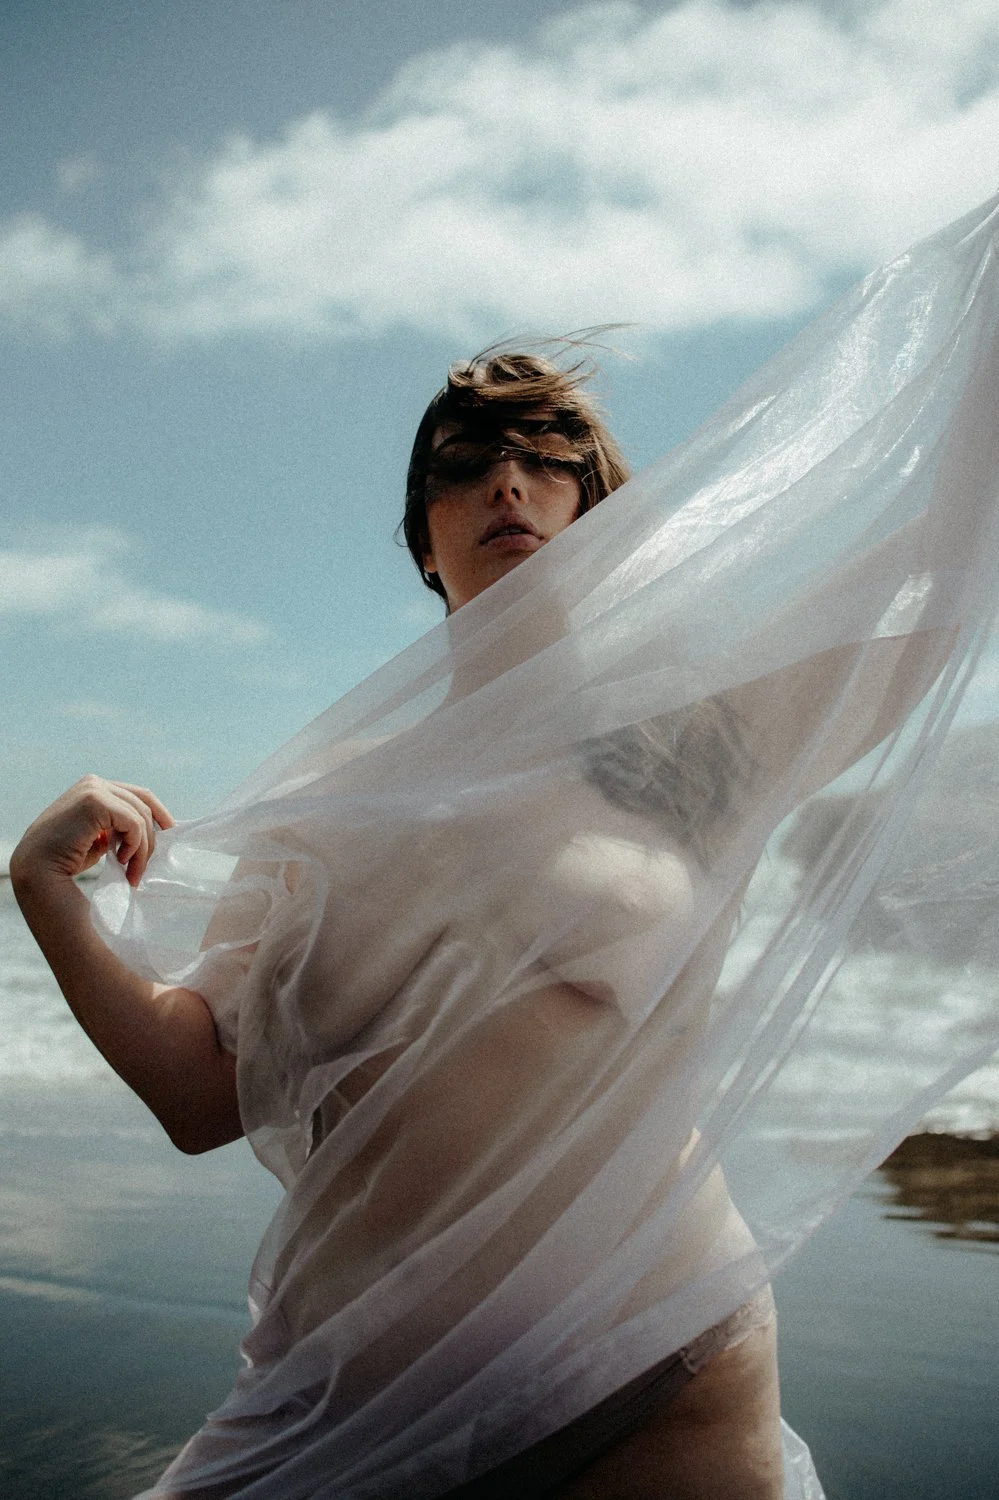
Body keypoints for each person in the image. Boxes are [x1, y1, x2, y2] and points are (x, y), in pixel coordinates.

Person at [12, 194, 999, 1500]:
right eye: (465, 463)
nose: (506, 482)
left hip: (655, 1377)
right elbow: (201, 1095)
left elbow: (940, 561)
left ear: (603, 513)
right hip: (348, 1404)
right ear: (422, 541)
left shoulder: (700, 751)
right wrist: (44, 892)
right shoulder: (323, 806)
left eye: (547, 457)